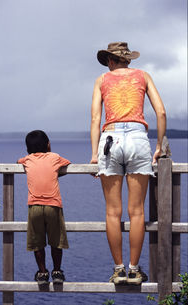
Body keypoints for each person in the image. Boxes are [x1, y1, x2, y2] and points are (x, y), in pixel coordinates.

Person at [90, 42, 166, 285]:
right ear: (128, 60)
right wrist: (158, 147)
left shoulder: (102, 80)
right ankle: (134, 270)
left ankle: (118, 270)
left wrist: (94, 154)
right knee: (137, 212)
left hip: (109, 139)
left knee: (113, 212)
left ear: (111, 61)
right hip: (137, 139)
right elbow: (161, 113)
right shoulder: (143, 76)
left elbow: (95, 118)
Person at [17, 130, 70, 285]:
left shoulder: (27, 160)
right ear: (48, 145)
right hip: (53, 206)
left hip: (34, 206)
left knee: (37, 242)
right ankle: (57, 271)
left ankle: (42, 272)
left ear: (27, 149)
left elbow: (18, 162)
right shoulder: (54, 157)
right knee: (56, 241)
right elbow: (68, 164)